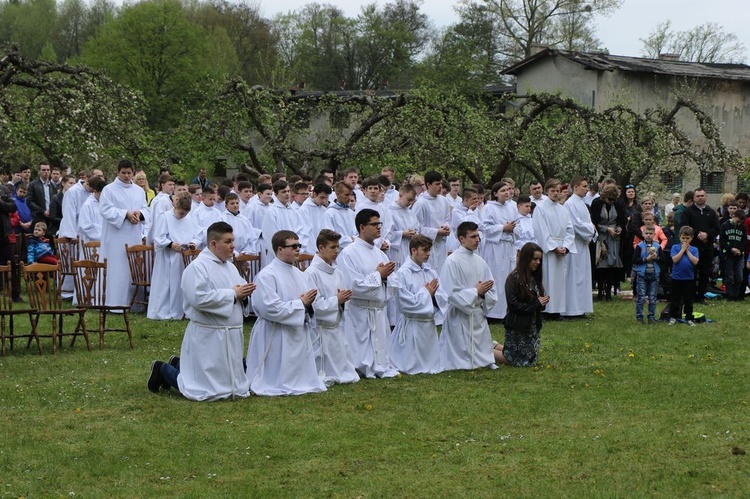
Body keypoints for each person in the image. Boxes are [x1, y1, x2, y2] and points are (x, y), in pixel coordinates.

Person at [148, 222, 255, 401]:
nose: (233, 246)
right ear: (213, 244)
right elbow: (199, 299)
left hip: (230, 333)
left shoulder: (230, 267)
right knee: (201, 388)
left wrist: (244, 295)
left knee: (224, 383)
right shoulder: (197, 268)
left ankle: (178, 363)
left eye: (233, 241)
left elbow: (237, 294)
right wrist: (232, 293)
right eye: (228, 241)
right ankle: (162, 369)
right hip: (208, 334)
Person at [245, 230, 327, 396]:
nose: (298, 249)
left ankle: (300, 379)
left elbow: (312, 302)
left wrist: (309, 305)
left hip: (297, 330)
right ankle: (273, 380)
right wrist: (301, 303)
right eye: (293, 246)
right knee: (275, 372)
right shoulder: (267, 275)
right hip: (274, 331)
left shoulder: (301, 274)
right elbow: (268, 307)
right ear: (280, 249)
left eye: (299, 245)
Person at [339, 208, 399, 378]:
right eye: (374, 224)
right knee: (362, 346)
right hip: (360, 310)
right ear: (362, 227)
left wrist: (385, 278)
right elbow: (352, 284)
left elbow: (392, 282)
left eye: (380, 224)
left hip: (378, 310)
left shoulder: (380, 253)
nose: (379, 227)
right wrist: (378, 275)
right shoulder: (349, 253)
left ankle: (381, 363)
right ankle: (362, 365)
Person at [437, 221, 498, 371]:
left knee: (481, 345)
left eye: (478, 236)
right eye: (472, 236)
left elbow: (491, 287)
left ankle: (484, 359)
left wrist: (483, 294)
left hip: (477, 312)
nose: (477, 240)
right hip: (459, 314)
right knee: (461, 353)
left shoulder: (480, 261)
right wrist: (475, 292)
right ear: (461, 239)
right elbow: (449, 292)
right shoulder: (452, 261)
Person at [306, 229, 359, 386]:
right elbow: (314, 304)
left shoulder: (337, 271)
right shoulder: (311, 273)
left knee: (345, 371)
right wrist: (337, 299)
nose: (337, 251)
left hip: (334, 326)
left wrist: (342, 300)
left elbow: (340, 296)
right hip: (320, 329)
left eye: (338, 247)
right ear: (321, 248)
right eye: (332, 247)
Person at [389, 235, 444, 375]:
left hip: (428, 323)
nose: (428, 254)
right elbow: (403, 302)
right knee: (410, 363)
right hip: (412, 323)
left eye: (429, 250)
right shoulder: (402, 274)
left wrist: (435, 295)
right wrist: (426, 293)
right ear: (414, 250)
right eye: (424, 250)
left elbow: (442, 296)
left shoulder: (430, 272)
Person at [99, 159, 150, 308]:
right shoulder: (109, 190)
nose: (127, 176)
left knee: (132, 267)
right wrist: (125, 214)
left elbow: (146, 208)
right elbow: (106, 210)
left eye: (129, 173)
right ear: (118, 172)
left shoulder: (139, 191)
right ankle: (114, 302)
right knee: (117, 268)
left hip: (133, 234)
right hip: (116, 236)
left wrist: (139, 214)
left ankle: (134, 303)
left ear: (133, 173)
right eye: (124, 173)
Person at [493, 243, 549, 367]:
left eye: (539, 259)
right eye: (535, 259)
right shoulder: (513, 278)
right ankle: (485, 352)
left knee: (529, 361)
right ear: (526, 259)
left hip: (532, 326)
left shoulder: (535, 278)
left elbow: (537, 304)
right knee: (515, 361)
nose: (538, 262)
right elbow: (513, 305)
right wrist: (536, 303)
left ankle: (494, 345)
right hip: (517, 326)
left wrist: (541, 303)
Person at [148, 192, 199, 320]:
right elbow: (159, 237)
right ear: (176, 206)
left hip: (184, 257)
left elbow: (197, 234)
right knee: (167, 284)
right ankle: (163, 311)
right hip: (168, 257)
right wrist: (170, 244)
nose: (183, 216)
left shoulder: (190, 218)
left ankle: (182, 310)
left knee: (182, 283)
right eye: (181, 213)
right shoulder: (165, 217)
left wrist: (193, 243)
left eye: (186, 213)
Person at [531, 179, 575, 318]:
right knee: (547, 279)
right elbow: (541, 230)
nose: (556, 194)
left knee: (560, 280)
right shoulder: (541, 209)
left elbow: (570, 229)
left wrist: (566, 246)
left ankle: (558, 309)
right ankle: (547, 309)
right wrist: (553, 247)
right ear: (547, 191)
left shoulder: (563, 209)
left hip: (561, 247)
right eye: (553, 191)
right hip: (549, 250)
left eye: (557, 191)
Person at [479, 181, 517, 320]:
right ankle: (493, 313)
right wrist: (502, 228)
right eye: (503, 191)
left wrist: (512, 229)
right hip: (495, 248)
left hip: (508, 247)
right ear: (495, 194)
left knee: (508, 278)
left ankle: (507, 310)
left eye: (507, 190)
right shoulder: (489, 208)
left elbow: (517, 225)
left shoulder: (512, 207)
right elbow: (484, 228)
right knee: (496, 278)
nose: (506, 192)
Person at [677, 188, 720, 304]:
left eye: (702, 196)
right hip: (692, 248)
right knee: (691, 272)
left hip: (707, 248)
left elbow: (717, 228)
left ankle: (701, 296)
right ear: (694, 198)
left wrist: (707, 235)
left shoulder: (711, 212)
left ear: (706, 196)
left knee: (704, 273)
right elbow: (684, 226)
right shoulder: (688, 211)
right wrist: (697, 234)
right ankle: (689, 296)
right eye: (698, 196)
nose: (700, 198)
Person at [563, 177, 596, 318]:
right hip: (574, 244)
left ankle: (581, 307)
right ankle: (572, 309)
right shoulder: (570, 204)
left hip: (582, 245)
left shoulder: (581, 203)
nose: (587, 189)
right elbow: (575, 225)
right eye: (584, 186)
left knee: (582, 276)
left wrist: (591, 229)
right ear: (575, 187)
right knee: (574, 277)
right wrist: (591, 229)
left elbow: (587, 222)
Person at [590, 185, 626, 300]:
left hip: (614, 238)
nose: (611, 202)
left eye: (613, 200)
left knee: (612, 264)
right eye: (609, 199)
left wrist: (619, 229)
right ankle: (600, 290)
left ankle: (609, 290)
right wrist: (606, 229)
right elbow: (593, 222)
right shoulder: (596, 203)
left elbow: (621, 220)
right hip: (601, 237)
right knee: (601, 263)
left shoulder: (618, 204)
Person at [412, 171, 451, 273]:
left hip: (441, 245)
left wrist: (446, 227)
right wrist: (437, 231)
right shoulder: (420, 203)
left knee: (442, 273)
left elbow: (447, 219)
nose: (440, 186)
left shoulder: (444, 201)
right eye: (437, 184)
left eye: (441, 183)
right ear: (428, 185)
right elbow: (416, 228)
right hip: (426, 247)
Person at [385, 183, 419, 267]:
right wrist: (402, 234)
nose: (410, 203)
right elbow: (386, 235)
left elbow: (417, 228)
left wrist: (414, 233)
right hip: (397, 251)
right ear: (400, 195)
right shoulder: (389, 211)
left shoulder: (411, 213)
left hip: (409, 248)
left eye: (412, 201)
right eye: (409, 199)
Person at [633, 226, 661, 324]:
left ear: (654, 234)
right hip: (642, 274)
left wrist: (657, 258)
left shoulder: (658, 247)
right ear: (643, 234)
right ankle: (639, 317)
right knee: (641, 297)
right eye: (646, 233)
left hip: (654, 274)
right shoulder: (640, 246)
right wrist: (646, 259)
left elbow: (663, 260)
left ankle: (651, 317)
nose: (648, 235)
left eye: (651, 233)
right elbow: (635, 260)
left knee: (652, 297)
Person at [720, 210, 746, 301]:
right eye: (738, 221)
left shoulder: (742, 227)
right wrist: (730, 249)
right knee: (729, 275)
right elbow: (722, 241)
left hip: (739, 255)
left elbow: (744, 240)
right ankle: (730, 295)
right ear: (733, 216)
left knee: (739, 276)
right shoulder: (724, 225)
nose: (739, 223)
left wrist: (740, 250)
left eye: (740, 222)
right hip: (728, 254)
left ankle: (736, 294)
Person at [325, 181, 357, 251]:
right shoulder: (330, 213)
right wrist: (350, 240)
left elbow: (357, 232)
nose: (349, 198)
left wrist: (355, 239)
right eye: (346, 195)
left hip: (353, 250)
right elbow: (330, 236)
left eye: (350, 195)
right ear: (337, 194)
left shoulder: (352, 213)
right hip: (338, 252)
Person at [78, 175, 106, 243]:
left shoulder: (107, 203)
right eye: (102, 194)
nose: (104, 196)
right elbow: (84, 226)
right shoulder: (87, 205)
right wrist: (104, 232)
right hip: (92, 244)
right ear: (95, 191)